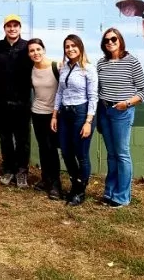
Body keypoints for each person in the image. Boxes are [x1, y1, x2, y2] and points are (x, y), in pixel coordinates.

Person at [97, 28, 144, 208]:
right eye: (106, 40)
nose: (110, 42)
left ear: (120, 40)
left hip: (122, 112)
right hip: (104, 110)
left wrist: (126, 103)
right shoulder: (101, 63)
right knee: (111, 155)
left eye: (113, 39)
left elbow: (143, 92)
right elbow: (98, 89)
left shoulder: (132, 62)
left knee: (122, 154)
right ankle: (109, 192)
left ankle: (122, 197)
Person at [52, 34, 98, 206]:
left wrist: (88, 121)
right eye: (67, 46)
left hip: (81, 113)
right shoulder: (63, 68)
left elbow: (93, 97)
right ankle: (74, 184)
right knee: (66, 151)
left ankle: (80, 191)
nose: (70, 49)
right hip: (65, 113)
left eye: (73, 46)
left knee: (82, 154)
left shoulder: (88, 68)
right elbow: (59, 92)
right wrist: (55, 115)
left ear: (80, 47)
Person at [0, 14, 33, 188]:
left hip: (22, 103)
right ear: (5, 28)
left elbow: (40, 61)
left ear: (19, 28)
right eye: (9, 26)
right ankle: (8, 169)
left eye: (15, 25)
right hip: (2, 102)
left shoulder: (27, 46)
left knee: (23, 140)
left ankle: (22, 172)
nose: (12, 28)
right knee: (5, 139)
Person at [27, 38, 62, 200]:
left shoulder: (56, 66)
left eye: (38, 49)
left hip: (53, 115)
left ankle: (56, 185)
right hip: (37, 112)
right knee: (42, 147)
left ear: (44, 50)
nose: (35, 53)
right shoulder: (31, 69)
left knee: (51, 148)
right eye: (32, 51)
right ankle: (45, 178)